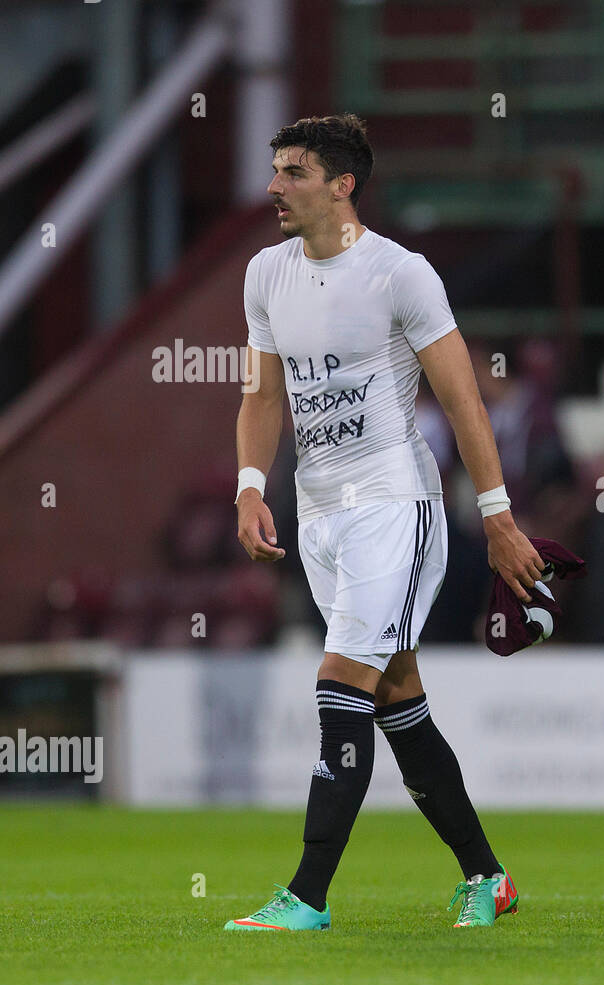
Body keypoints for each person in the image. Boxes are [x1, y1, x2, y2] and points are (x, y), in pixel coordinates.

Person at [227, 114, 544, 931]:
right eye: (274, 170)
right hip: (321, 515)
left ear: (343, 185)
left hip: (395, 508)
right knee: (398, 699)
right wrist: (251, 485)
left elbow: (463, 398)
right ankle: (487, 876)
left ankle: (305, 897)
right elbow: (263, 395)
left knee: (339, 683)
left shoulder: (401, 274)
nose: (273, 188)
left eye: (293, 172)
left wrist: (499, 516)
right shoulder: (267, 274)